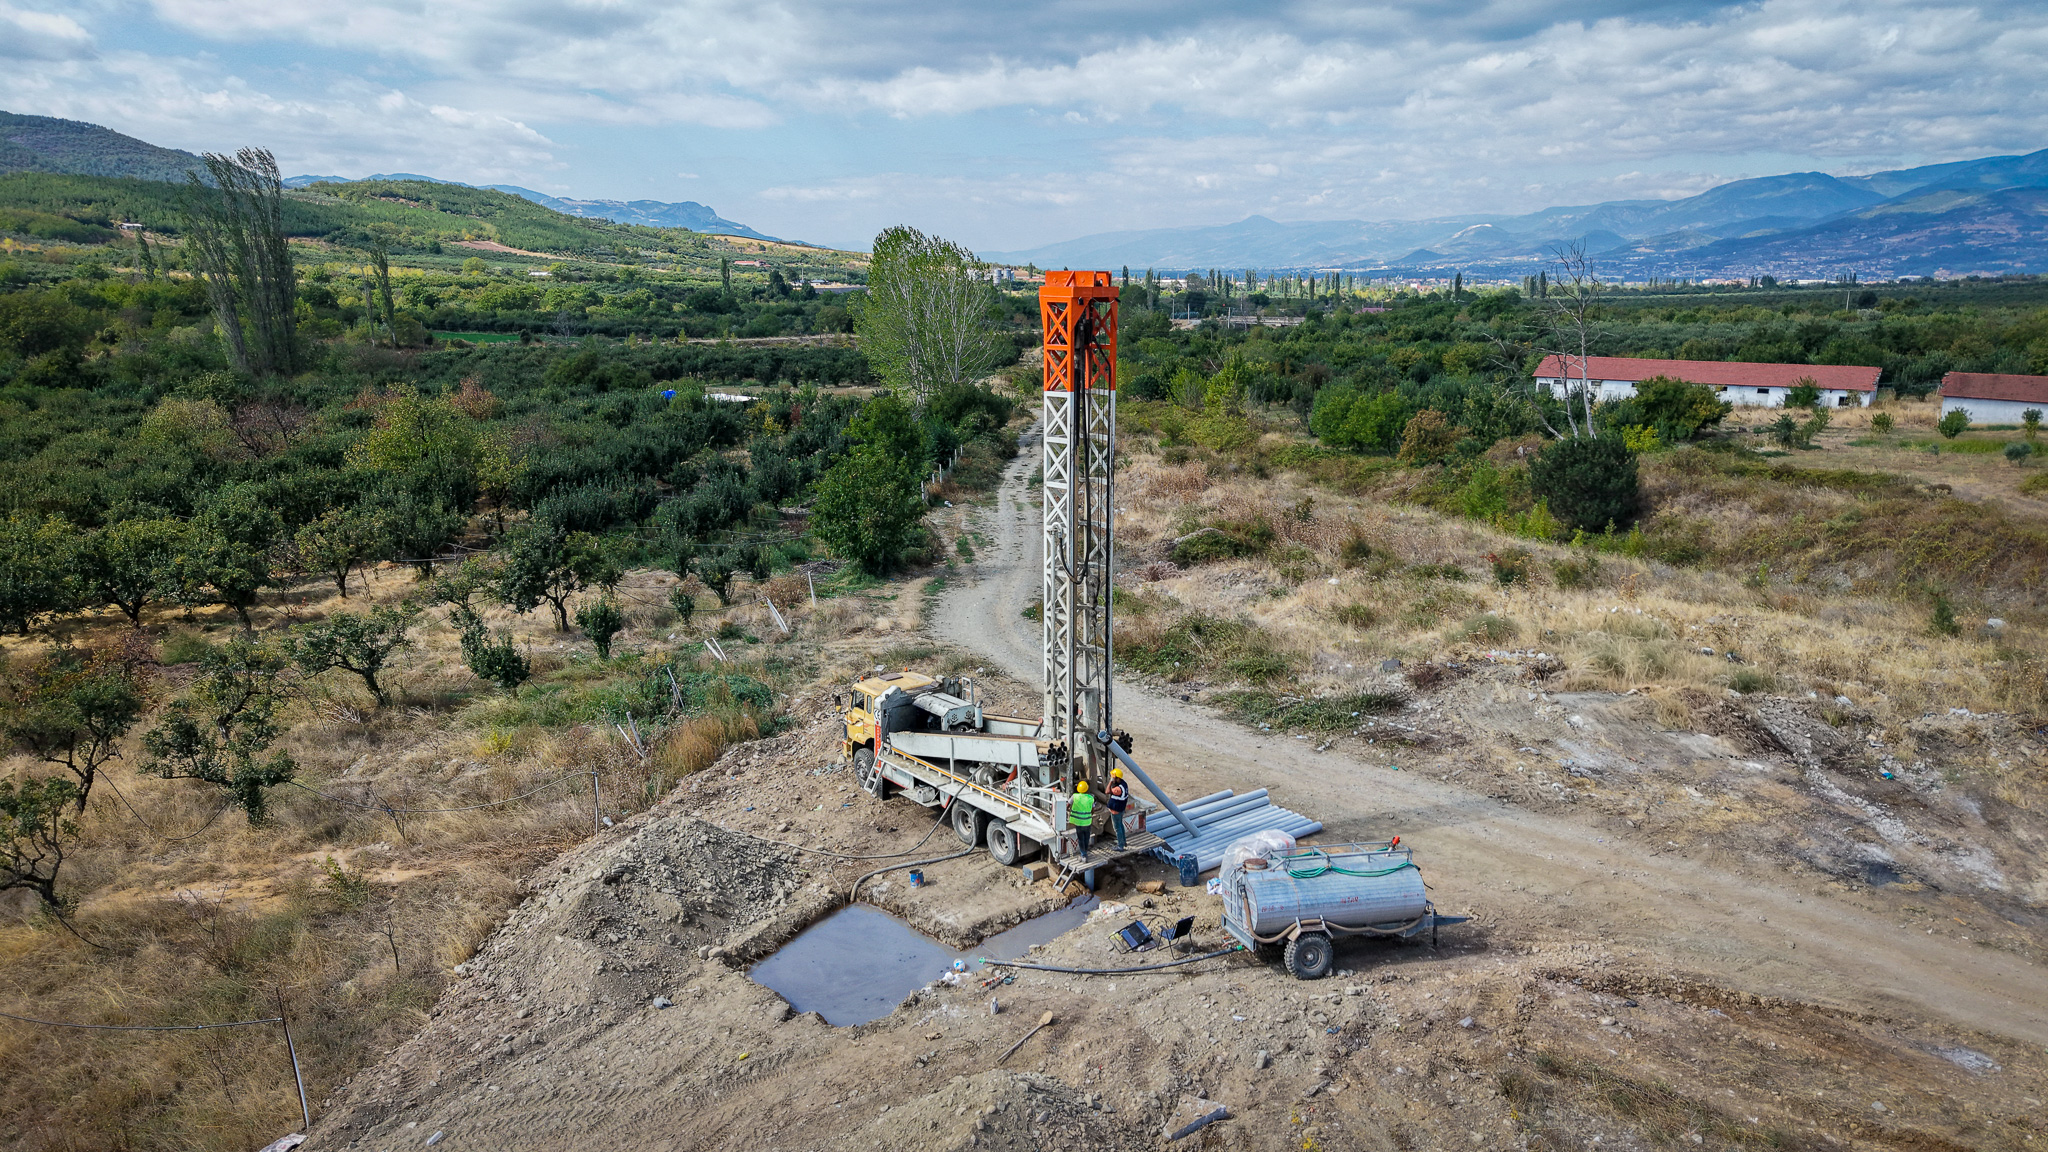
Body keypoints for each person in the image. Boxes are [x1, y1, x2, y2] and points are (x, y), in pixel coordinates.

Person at [1103, 768, 1130, 850]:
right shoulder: (1124, 784)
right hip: (1120, 809)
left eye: (1113, 777)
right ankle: (1123, 841)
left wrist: (1111, 781)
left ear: (1117, 778)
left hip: (1116, 811)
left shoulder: (1117, 789)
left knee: (1117, 828)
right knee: (1120, 825)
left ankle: (1120, 846)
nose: (1112, 778)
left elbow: (1107, 791)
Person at [1069, 780, 1095, 857]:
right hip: (1087, 822)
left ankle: (1083, 854)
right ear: (1087, 789)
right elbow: (1092, 810)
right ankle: (1085, 851)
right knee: (1086, 838)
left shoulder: (1074, 796)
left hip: (1078, 822)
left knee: (1080, 838)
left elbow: (1068, 805)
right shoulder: (1091, 798)